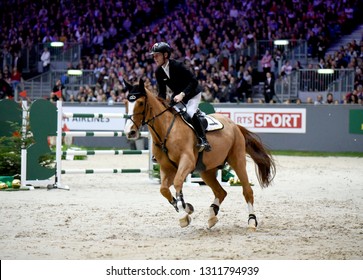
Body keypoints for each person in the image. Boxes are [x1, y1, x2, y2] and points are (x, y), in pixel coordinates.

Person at [149, 41, 211, 152]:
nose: (155, 58)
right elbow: (162, 93)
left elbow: (194, 81)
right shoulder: (158, 72)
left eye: (157, 55)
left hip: (192, 93)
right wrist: (160, 105)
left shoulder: (177, 65)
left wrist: (183, 94)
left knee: (190, 113)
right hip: (177, 95)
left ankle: (203, 140)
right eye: (153, 56)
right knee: (168, 114)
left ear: (165, 55)